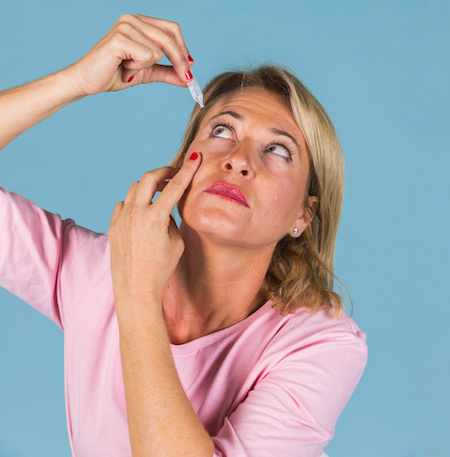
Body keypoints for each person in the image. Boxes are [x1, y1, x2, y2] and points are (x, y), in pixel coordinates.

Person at [0, 14, 367, 457]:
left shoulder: (321, 345)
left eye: (276, 149)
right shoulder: (92, 272)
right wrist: (76, 81)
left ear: (304, 217)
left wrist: (136, 293)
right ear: (182, 165)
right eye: (221, 130)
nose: (238, 159)